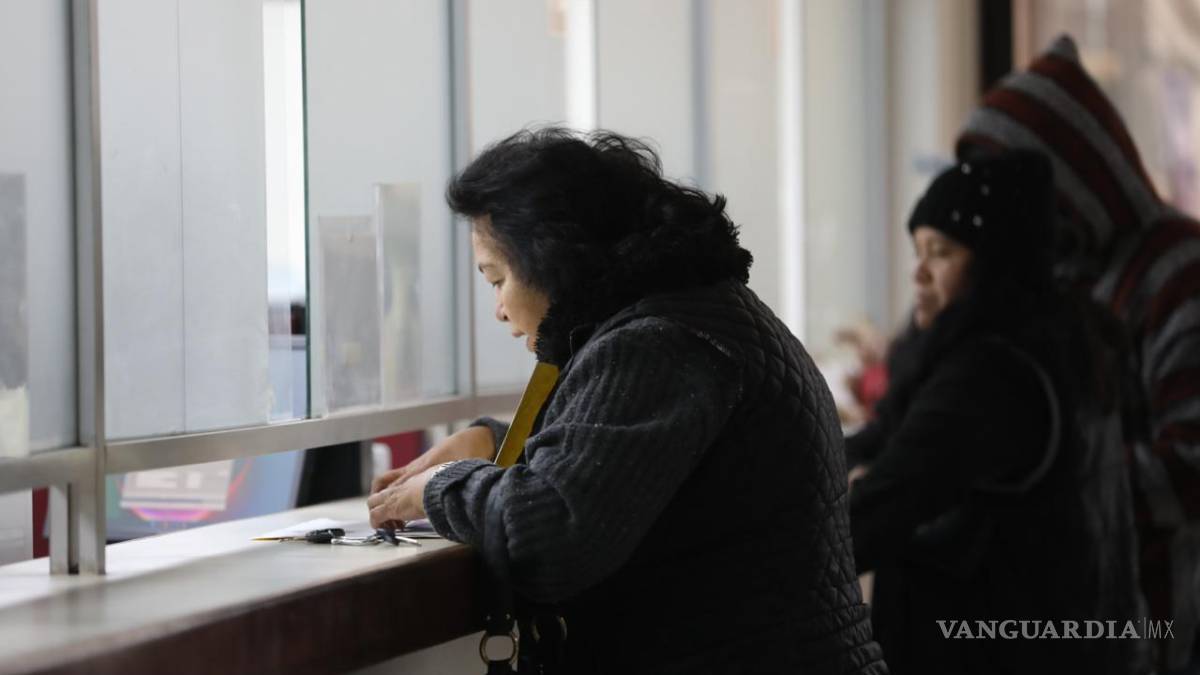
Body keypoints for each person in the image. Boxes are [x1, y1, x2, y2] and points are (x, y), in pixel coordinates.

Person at [367, 128, 887, 674]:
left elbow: (554, 536)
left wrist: (442, 487)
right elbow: (628, 464)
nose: (498, 309)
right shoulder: (698, 314)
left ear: (551, 261)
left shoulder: (657, 345)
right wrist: (495, 444)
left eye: (497, 279)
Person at [846, 150, 1146, 674]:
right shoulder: (1064, 336)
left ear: (994, 262)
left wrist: (753, 559)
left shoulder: (990, 376)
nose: (918, 273)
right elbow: (893, 435)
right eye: (918, 251)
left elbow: (880, 509)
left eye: (941, 252)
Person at [956, 34, 1200, 672]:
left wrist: (1054, 485)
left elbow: (1193, 460)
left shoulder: (1180, 272)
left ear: (1068, 178)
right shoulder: (1069, 274)